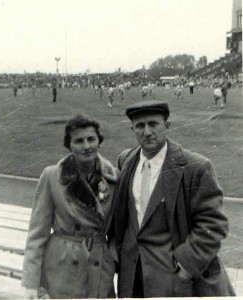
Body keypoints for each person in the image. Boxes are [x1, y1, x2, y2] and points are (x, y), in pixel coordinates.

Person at [114, 100, 235, 297]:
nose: (147, 132)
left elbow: (213, 225)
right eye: (140, 126)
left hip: (174, 280)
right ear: (132, 129)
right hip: (132, 277)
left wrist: (185, 268)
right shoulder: (126, 160)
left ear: (167, 126)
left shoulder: (195, 167)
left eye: (153, 124)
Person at [22, 114, 119, 299]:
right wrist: (31, 284)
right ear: (69, 145)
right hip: (61, 265)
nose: (86, 146)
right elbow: (37, 234)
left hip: (98, 265)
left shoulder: (114, 178)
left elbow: (118, 229)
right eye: (79, 141)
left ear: (99, 141)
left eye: (91, 139)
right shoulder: (52, 176)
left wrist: (111, 256)